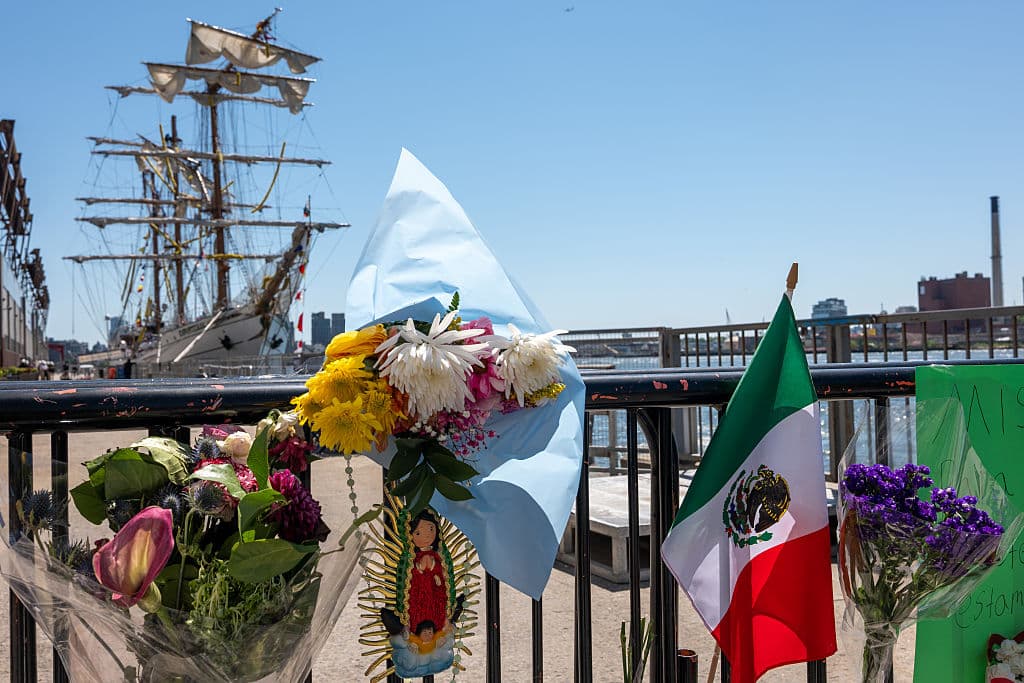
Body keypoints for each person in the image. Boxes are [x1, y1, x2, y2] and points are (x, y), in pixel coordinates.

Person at [406, 510, 448, 638]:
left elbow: (442, 572)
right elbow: (410, 576)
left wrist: (436, 575)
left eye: (431, 529)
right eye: (418, 533)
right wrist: (419, 569)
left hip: (435, 592)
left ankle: (436, 627)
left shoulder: (437, 556)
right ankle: (419, 629)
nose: (427, 536)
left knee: (435, 610)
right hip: (419, 592)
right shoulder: (413, 558)